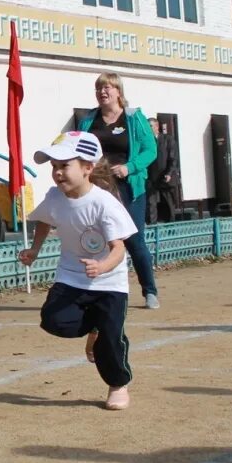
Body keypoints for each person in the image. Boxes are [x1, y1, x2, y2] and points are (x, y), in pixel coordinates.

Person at [18, 131, 137, 410]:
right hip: (71, 276)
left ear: (87, 168)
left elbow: (118, 249)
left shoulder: (104, 203)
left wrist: (102, 266)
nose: (58, 173)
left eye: (64, 165)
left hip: (109, 283)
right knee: (53, 319)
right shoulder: (55, 197)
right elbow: (44, 220)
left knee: (110, 341)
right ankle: (94, 326)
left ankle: (118, 384)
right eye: (54, 167)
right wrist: (34, 250)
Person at [77, 73, 159, 309]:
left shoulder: (134, 118)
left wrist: (129, 167)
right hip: (99, 187)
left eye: (107, 87)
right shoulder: (88, 120)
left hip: (128, 187)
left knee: (133, 240)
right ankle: (96, 292)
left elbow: (150, 150)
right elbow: (79, 146)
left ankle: (150, 291)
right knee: (97, 240)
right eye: (99, 88)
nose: (102, 92)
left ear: (118, 92)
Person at [145, 118, 179, 225]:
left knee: (168, 203)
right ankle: (152, 226)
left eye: (151, 126)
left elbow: (173, 158)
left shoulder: (167, 139)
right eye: (147, 126)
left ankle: (170, 227)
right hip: (151, 176)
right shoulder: (146, 142)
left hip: (165, 176)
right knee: (151, 203)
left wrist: (169, 173)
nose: (149, 128)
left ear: (156, 127)